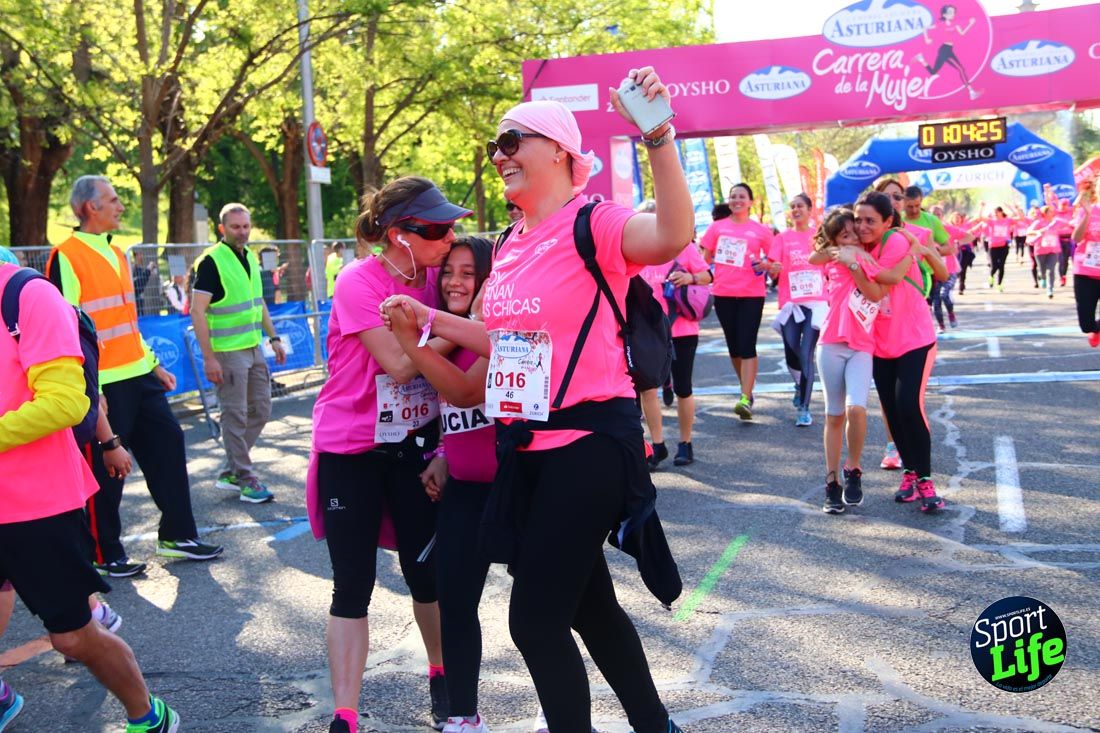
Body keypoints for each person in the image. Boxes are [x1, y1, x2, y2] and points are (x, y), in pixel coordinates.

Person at [382, 69, 692, 733]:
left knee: (533, 619)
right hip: (527, 450)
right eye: (494, 147)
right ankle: (656, 724)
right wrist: (428, 319)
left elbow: (671, 235)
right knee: (590, 610)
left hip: (590, 445)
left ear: (557, 150)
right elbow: (504, 339)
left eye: (511, 142)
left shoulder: (596, 222)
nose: (499, 156)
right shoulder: (508, 243)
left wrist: (658, 135)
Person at [310, 177, 472, 733]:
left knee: (425, 574)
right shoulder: (359, 280)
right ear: (400, 236)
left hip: (416, 447)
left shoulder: (440, 281)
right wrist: (468, 326)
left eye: (452, 227)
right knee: (351, 584)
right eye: (437, 230)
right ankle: (346, 714)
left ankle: (441, 672)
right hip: (350, 449)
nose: (450, 238)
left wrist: (446, 447)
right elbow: (402, 366)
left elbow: (453, 376)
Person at [0, 260, 180, 733]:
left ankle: (148, 715)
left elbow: (67, 401)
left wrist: (109, 441)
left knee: (73, 637)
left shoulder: (27, 294)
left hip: (34, 504)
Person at [46, 175, 223, 573]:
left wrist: (152, 364)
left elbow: (126, 321)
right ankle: (102, 553)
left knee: (169, 444)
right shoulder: (66, 255)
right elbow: (65, 329)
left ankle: (178, 537)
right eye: (113, 200)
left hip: (138, 374)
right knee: (106, 469)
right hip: (103, 384)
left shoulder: (119, 252)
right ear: (91, 207)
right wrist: (89, 389)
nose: (120, 206)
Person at [387, 237, 496, 733]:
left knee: (551, 612)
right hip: (467, 487)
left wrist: (413, 342)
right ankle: (461, 714)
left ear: (489, 279)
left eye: (468, 273)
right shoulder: (448, 331)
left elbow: (465, 389)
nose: (454, 281)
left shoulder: (496, 331)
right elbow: (455, 412)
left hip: (520, 482)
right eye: (448, 271)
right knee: (453, 600)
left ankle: (556, 709)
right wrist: (445, 455)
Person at [808, 209, 911, 514]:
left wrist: (854, 261)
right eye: (845, 234)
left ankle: (853, 469)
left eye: (855, 231)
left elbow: (876, 292)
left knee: (857, 409)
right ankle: (832, 481)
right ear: (835, 238)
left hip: (862, 346)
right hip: (831, 344)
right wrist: (837, 251)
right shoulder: (832, 258)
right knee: (834, 415)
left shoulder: (867, 260)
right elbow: (813, 258)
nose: (853, 237)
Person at [857, 192, 949, 513]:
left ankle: (925, 480)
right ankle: (909, 473)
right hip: (879, 344)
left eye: (870, 220)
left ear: (888, 221)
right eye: (859, 220)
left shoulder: (897, 241)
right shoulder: (858, 246)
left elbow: (884, 278)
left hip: (915, 340)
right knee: (893, 411)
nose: (863, 226)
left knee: (909, 405)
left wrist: (852, 259)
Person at [190, 204, 287, 503]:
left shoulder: (248, 258)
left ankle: (232, 470)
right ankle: (245, 478)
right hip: (227, 353)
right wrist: (209, 358)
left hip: (253, 347)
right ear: (222, 229)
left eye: (246, 226)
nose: (242, 232)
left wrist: (274, 338)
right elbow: (197, 311)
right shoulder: (210, 262)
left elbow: (258, 304)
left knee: (261, 409)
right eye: (235, 227)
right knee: (234, 416)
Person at [637, 200, 712, 469]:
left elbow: (707, 275)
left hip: (681, 329)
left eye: (653, 218)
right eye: (642, 219)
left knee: (683, 388)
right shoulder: (634, 252)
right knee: (647, 389)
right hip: (646, 330)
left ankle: (685, 442)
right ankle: (657, 445)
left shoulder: (683, 247)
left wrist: (691, 278)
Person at [700, 182, 773, 421]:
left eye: (742, 196)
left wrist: (766, 265)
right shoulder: (716, 227)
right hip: (723, 292)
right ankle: (746, 388)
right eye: (733, 196)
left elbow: (772, 260)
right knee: (733, 346)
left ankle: (745, 396)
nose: (737, 200)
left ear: (750, 202)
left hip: (752, 294)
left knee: (747, 344)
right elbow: (706, 256)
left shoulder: (761, 230)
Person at [768, 193, 825, 427]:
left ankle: (804, 407)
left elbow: (830, 265)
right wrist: (774, 268)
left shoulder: (820, 236)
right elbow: (772, 271)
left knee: (806, 354)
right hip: (791, 302)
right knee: (791, 352)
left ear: (809, 210)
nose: (795, 210)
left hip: (816, 301)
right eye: (792, 207)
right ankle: (798, 385)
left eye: (800, 206)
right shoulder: (782, 238)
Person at [913, 3, 980, 100]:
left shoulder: (955, 24)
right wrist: (926, 38)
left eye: (953, 12)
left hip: (948, 50)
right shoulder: (940, 24)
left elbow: (962, 33)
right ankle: (971, 92)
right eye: (950, 12)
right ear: (944, 15)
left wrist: (970, 24)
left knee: (933, 72)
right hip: (944, 50)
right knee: (961, 69)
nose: (953, 14)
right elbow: (925, 28)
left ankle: (921, 59)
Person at [1071, 183, 1100, 347]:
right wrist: (1088, 214)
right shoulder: (1088, 210)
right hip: (1085, 274)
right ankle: (1095, 329)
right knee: (1086, 325)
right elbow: (1076, 239)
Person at [1027, 207, 1061, 299]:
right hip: (1040, 250)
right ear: (1045, 213)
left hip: (1053, 250)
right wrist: (1039, 231)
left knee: (1051, 269)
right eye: (1050, 211)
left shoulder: (1056, 222)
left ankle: (1050, 289)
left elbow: (1068, 225)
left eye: (1052, 211)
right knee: (1042, 270)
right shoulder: (1038, 222)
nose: (1052, 213)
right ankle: (1042, 277)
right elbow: (1029, 232)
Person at [978, 204, 1013, 291]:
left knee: (1001, 266)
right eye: (994, 213)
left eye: (997, 212)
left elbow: (1020, 218)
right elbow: (980, 218)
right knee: (994, 266)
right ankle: (991, 276)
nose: (995, 214)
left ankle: (999, 284)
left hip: (1004, 246)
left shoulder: (1007, 220)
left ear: (1001, 212)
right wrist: (981, 207)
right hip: (993, 246)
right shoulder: (992, 221)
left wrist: (1012, 208)